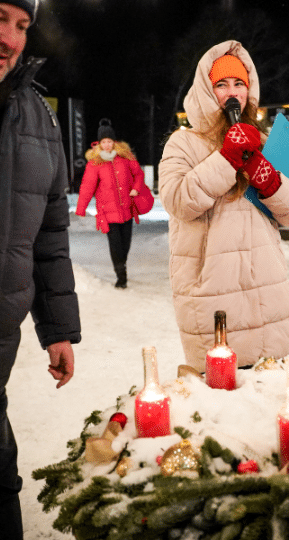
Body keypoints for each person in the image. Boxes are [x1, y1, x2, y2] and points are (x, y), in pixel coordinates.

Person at [159, 40, 289, 372]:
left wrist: (266, 176)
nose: (232, 91)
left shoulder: (269, 142)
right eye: (221, 84)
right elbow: (180, 201)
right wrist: (226, 159)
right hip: (212, 298)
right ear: (206, 91)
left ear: (249, 89)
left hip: (267, 300)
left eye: (239, 83)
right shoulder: (183, 142)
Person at [0, 1, 81, 537]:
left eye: (21, 26)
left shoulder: (36, 114)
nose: (9, 38)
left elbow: (50, 232)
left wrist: (57, 328)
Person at [76, 119, 146, 288]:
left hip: (127, 210)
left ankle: (121, 265)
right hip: (108, 212)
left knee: (125, 246)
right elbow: (87, 187)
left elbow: (139, 175)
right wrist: (81, 208)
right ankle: (121, 276)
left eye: (109, 141)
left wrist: (136, 189)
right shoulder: (95, 164)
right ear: (99, 144)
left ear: (114, 142)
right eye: (103, 142)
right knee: (115, 245)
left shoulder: (125, 158)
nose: (107, 145)